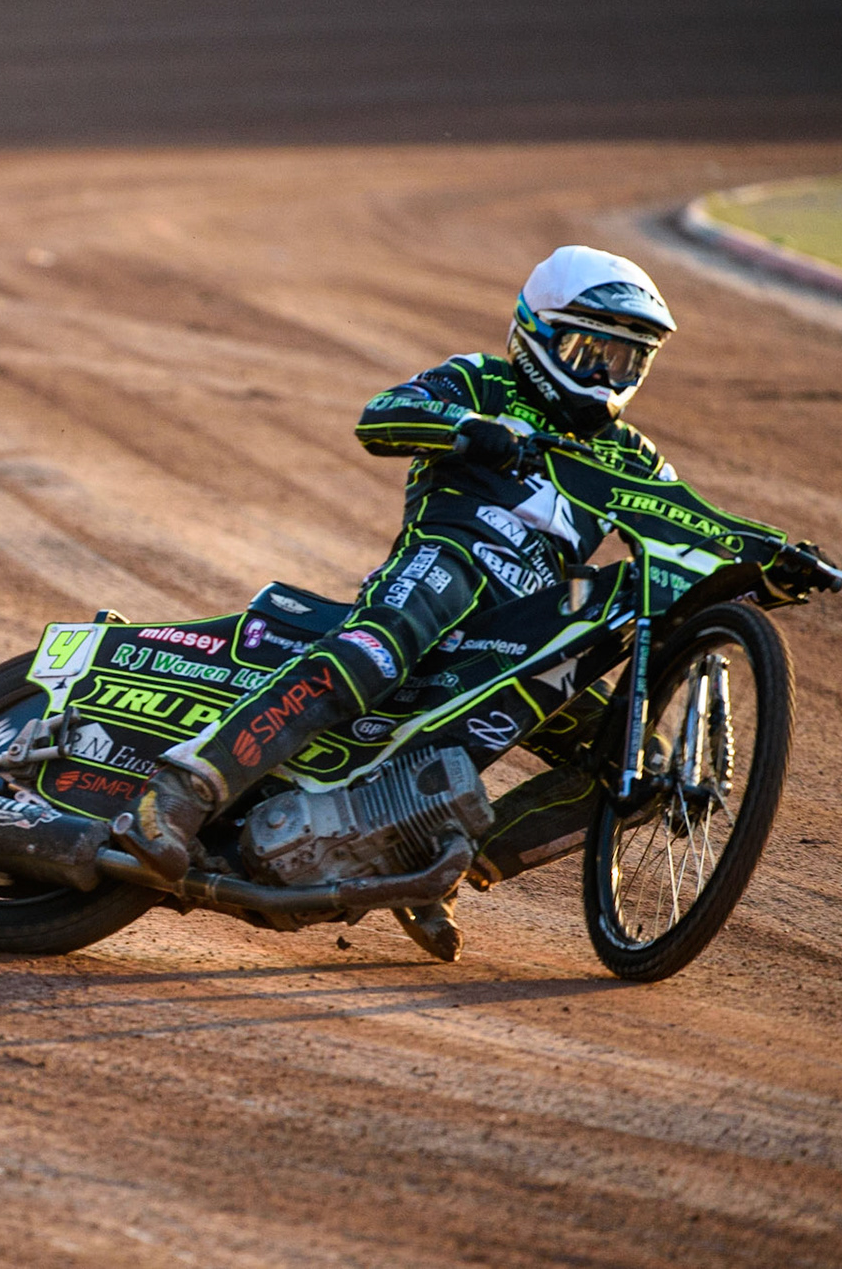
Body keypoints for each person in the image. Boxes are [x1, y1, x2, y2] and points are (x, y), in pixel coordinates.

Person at [124, 245, 682, 961]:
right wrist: (467, 431)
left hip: (522, 634)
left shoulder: (635, 457)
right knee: (371, 653)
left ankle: (432, 865)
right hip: (446, 567)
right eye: (590, 350)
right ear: (537, 333)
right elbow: (380, 417)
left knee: (647, 763)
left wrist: (765, 559)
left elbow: (688, 528)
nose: (608, 375)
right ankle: (177, 795)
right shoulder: (482, 380)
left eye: (628, 361)